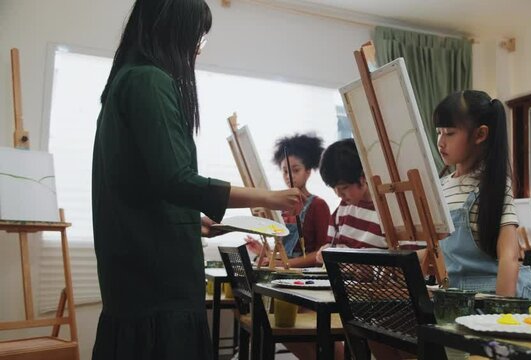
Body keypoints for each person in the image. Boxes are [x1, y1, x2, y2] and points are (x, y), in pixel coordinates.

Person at [91, 1, 301, 359]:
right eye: (197, 38)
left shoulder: (127, 78)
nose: (196, 50)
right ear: (172, 30)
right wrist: (269, 198)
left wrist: (189, 217)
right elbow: (176, 178)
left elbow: (148, 182)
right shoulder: (148, 80)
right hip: (156, 280)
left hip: (134, 272)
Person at [420, 90, 531, 299]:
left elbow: (509, 257)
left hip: (493, 296)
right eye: (439, 132)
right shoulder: (441, 186)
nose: (440, 142)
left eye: (450, 133)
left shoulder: (494, 186)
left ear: (480, 134)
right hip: (456, 296)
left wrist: (501, 316)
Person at [245, 134, 331, 267]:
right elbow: (285, 251)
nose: (289, 176)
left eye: (296, 170)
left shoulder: (318, 205)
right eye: (285, 171)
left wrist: (284, 264)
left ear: (307, 171)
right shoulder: (281, 207)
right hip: (286, 270)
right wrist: (264, 251)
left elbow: (323, 253)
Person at [315, 138, 387, 265]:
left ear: (363, 176)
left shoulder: (388, 212)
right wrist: (325, 251)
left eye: (344, 187)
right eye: (334, 188)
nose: (339, 194)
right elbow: (332, 246)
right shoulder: (344, 207)